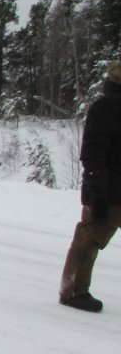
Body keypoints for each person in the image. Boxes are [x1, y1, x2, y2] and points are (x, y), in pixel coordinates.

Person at [59, 60, 121, 312]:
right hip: (108, 191)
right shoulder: (106, 106)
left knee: (89, 239)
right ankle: (74, 291)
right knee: (89, 238)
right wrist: (97, 190)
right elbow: (92, 151)